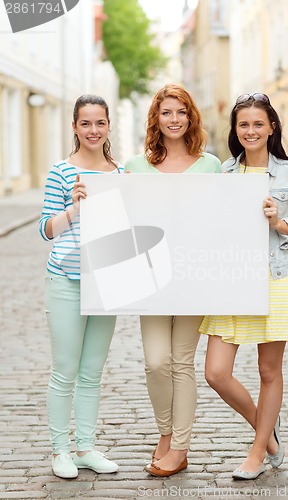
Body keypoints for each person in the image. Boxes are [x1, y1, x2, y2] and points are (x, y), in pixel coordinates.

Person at [199, 93, 288, 480]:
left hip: (275, 278)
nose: (250, 131)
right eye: (243, 124)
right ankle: (267, 433)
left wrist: (280, 221)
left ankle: (256, 453)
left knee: (269, 371)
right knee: (216, 373)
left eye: (258, 124)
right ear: (235, 130)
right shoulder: (225, 175)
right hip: (233, 278)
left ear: (271, 128)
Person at [125, 83, 222, 477]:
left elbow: (224, 219)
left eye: (181, 112)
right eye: (167, 112)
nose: (175, 119)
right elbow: (120, 215)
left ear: (191, 117)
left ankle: (178, 446)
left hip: (194, 276)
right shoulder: (134, 166)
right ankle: (165, 433)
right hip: (150, 278)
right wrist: (86, 197)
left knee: (182, 362)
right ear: (156, 118)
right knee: (155, 362)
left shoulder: (211, 165)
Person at [39, 94, 123, 479]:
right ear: (74, 127)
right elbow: (46, 230)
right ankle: (60, 451)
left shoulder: (120, 173)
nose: (93, 130)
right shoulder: (61, 171)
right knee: (65, 370)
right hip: (67, 279)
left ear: (109, 126)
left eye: (100, 123)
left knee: (92, 371)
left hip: (105, 278)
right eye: (85, 123)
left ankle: (85, 447)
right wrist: (72, 207)